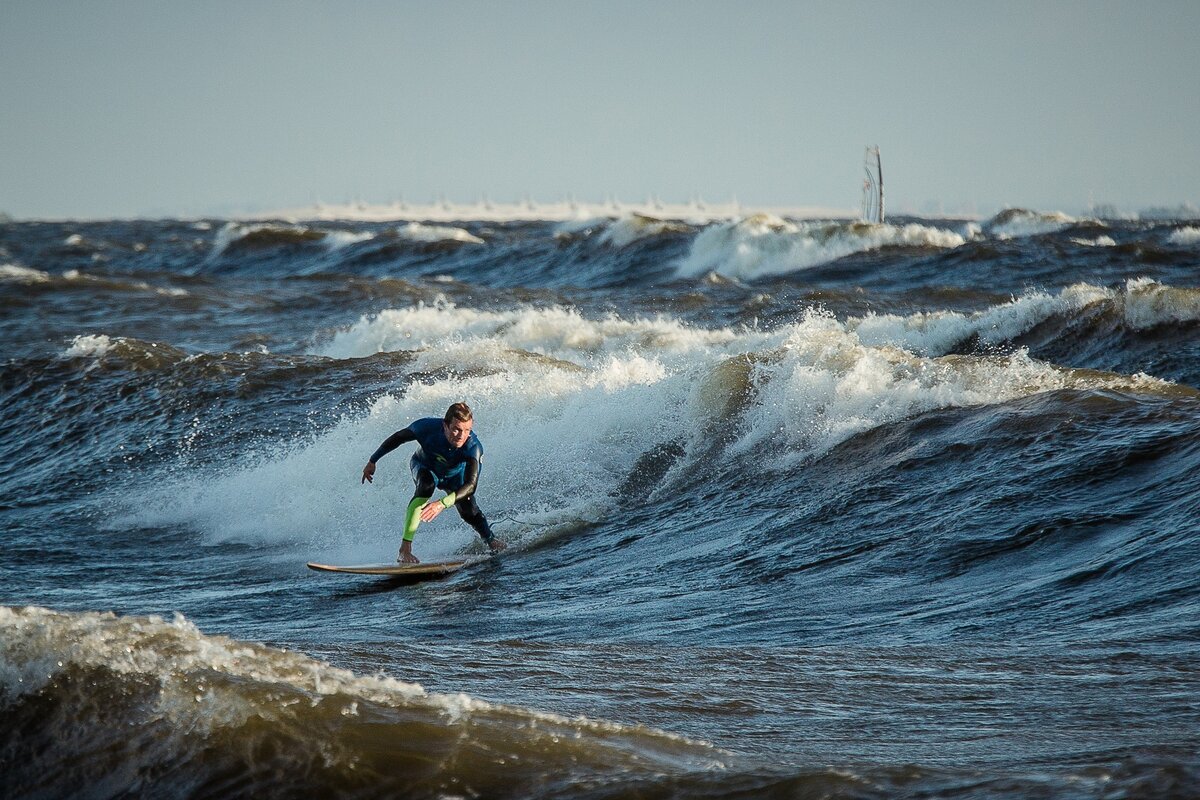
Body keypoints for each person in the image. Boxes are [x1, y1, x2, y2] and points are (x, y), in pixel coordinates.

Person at [362, 402, 506, 563]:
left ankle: (491, 541)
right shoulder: (426, 427)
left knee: (469, 511)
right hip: (424, 466)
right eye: (456, 429)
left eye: (467, 430)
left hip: (455, 478)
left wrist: (441, 504)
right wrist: (372, 461)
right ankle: (404, 550)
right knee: (426, 486)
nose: (461, 436)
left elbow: (471, 486)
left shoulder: (473, 447)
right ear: (445, 425)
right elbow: (397, 438)